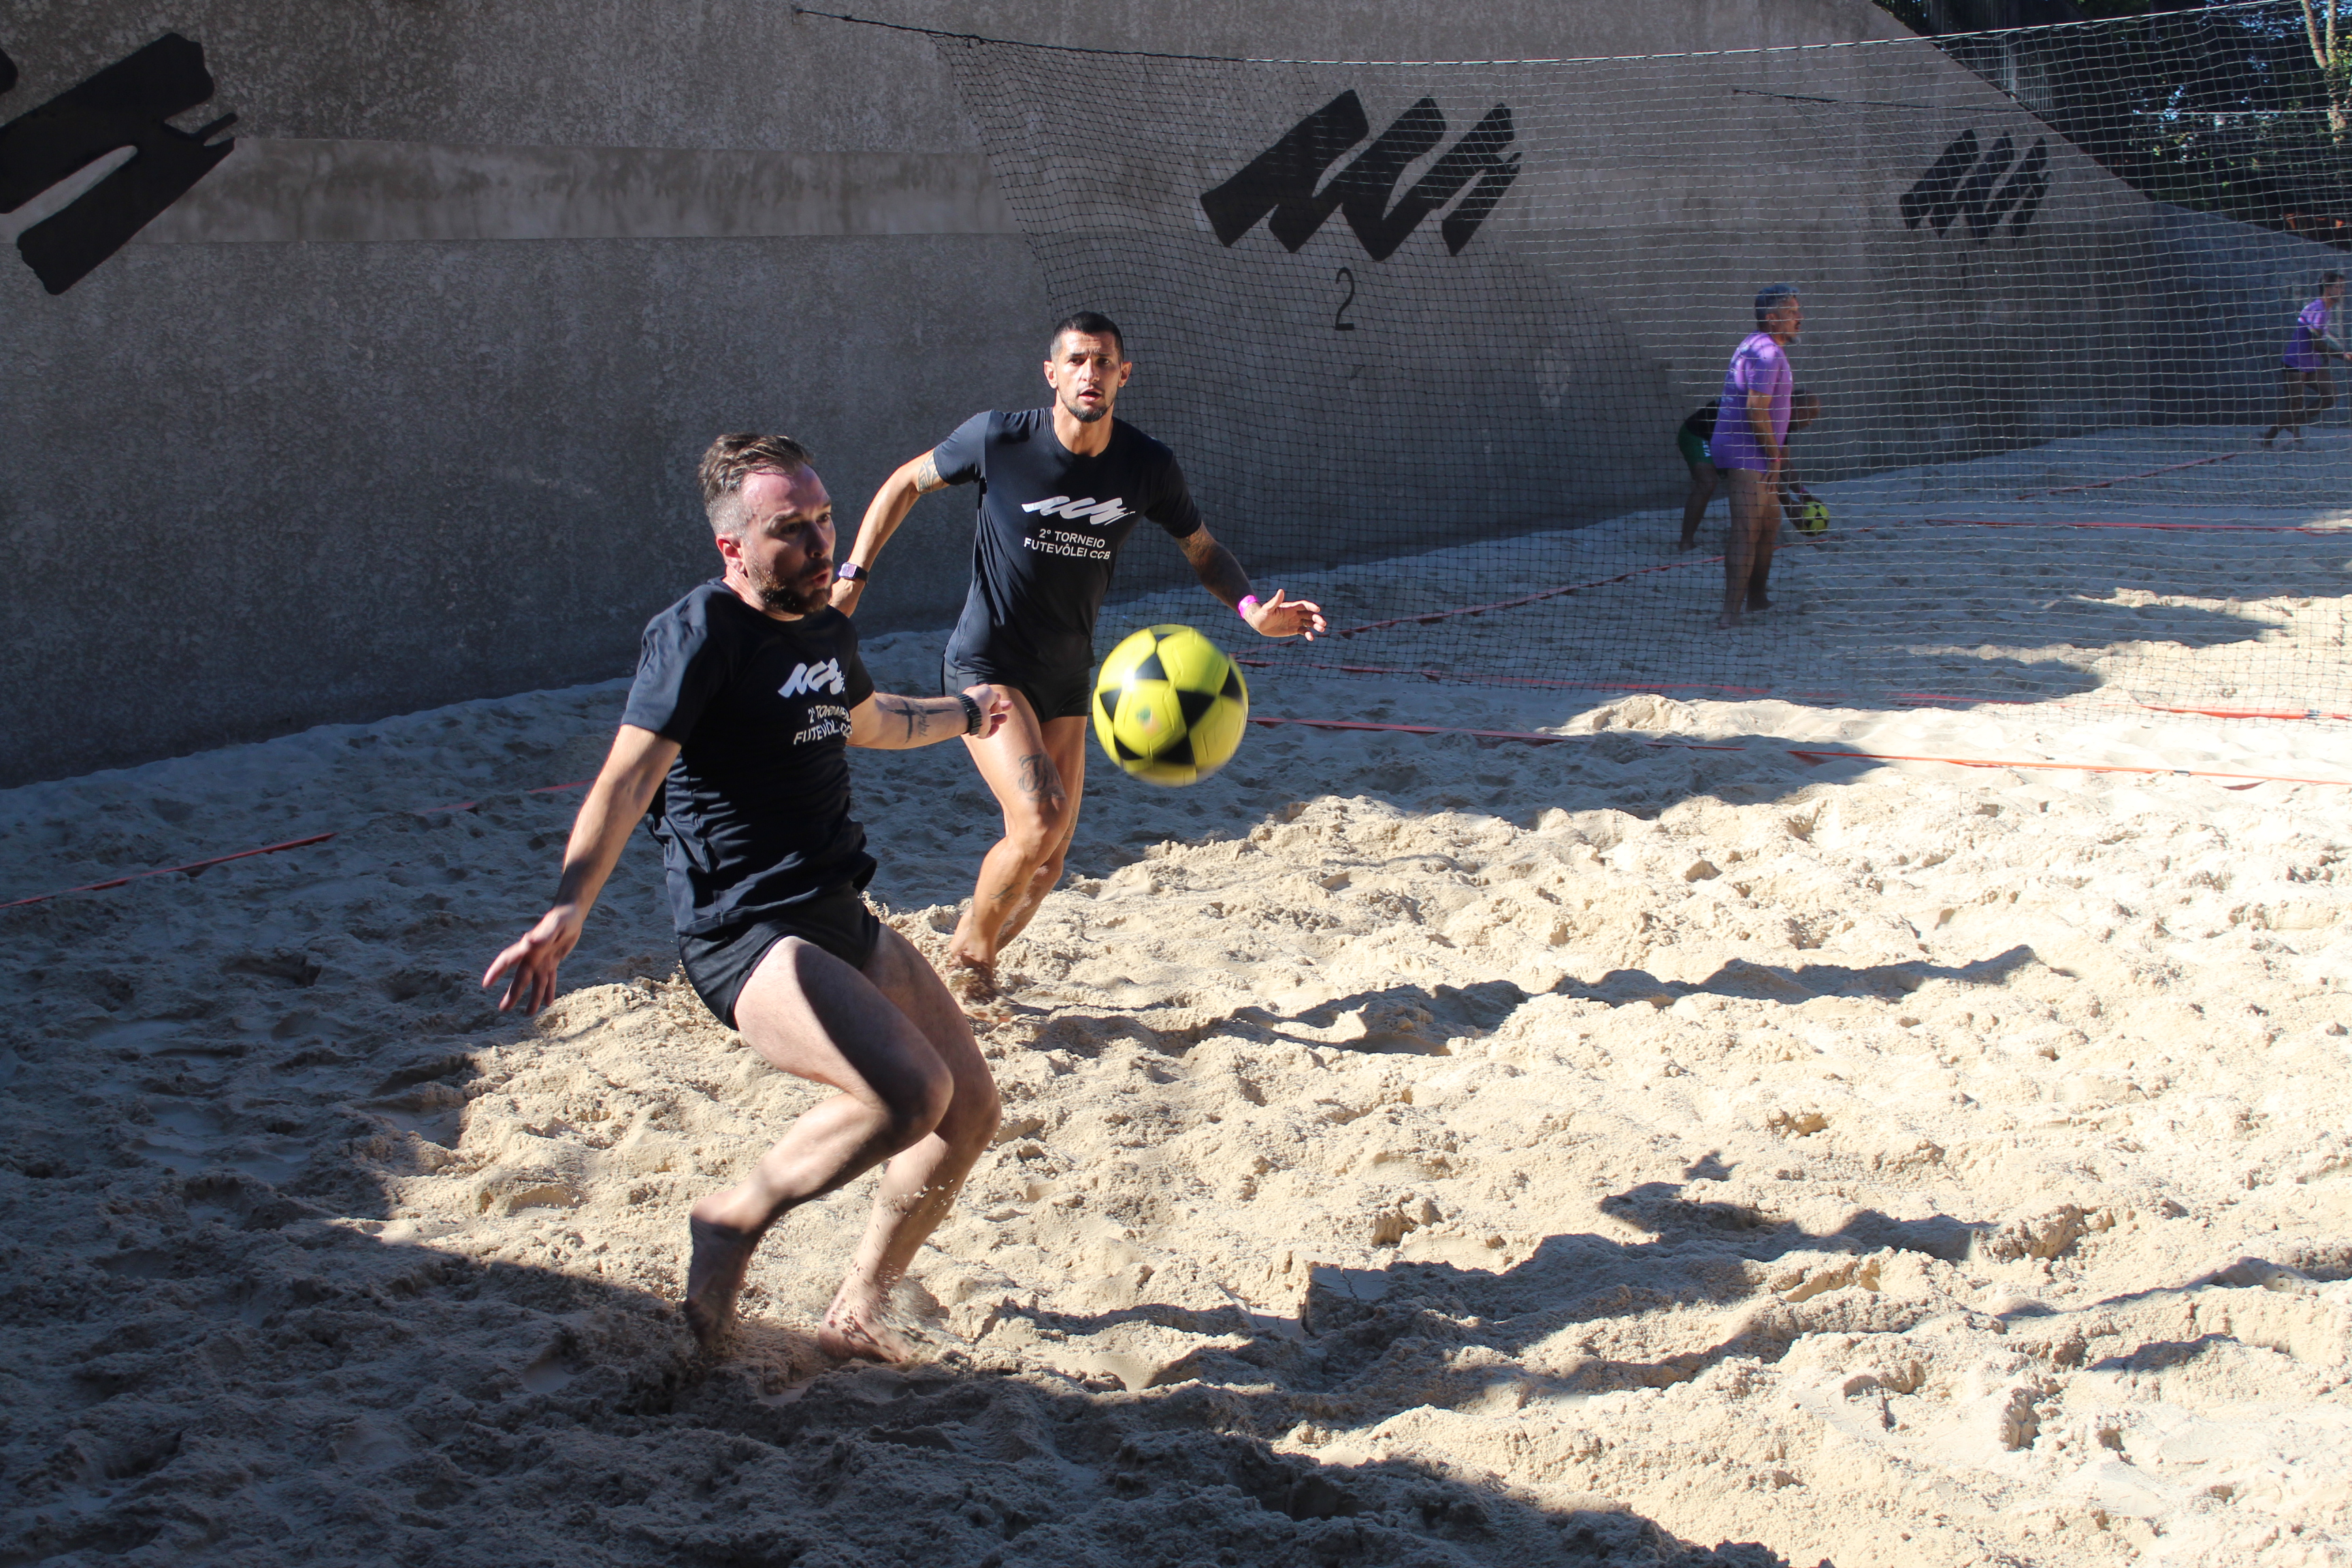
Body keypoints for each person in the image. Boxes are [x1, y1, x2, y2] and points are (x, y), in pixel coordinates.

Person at [481, 433, 1015, 1362]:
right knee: (909, 1091)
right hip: (747, 932)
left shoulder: (825, 626)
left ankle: (859, 1303)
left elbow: (869, 721)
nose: (819, 543)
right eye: (790, 529)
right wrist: (569, 907)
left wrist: (969, 713)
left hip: (836, 909)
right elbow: (624, 781)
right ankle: (731, 1218)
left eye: (824, 519)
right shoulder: (700, 634)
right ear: (732, 547)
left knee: (969, 1109)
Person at [832, 312, 1326, 1002]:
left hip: (1067, 674)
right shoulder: (999, 438)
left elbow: (1204, 549)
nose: (1089, 374)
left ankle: (951, 970)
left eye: (1103, 363)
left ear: (1123, 375)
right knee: (1035, 823)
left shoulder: (1146, 465)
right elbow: (905, 483)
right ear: (1052, 372)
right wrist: (854, 572)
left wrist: (1252, 613)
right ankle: (970, 963)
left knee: (1049, 861)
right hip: (987, 666)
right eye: (1076, 361)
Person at [1709, 284, 1803, 627]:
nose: (1799, 318)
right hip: (1747, 451)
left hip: (1752, 449)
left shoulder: (1757, 344)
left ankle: (1758, 600)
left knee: (1769, 525)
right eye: (1792, 312)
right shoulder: (1766, 354)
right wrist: (1775, 458)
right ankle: (1729, 615)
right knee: (1746, 530)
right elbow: (1756, 410)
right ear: (1772, 317)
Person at [1677, 386, 1820, 553]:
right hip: (1699, 434)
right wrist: (1788, 504)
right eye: (1809, 417)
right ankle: (1685, 542)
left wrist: (1804, 494)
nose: (1810, 423)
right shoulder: (1766, 415)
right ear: (1797, 409)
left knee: (1754, 484)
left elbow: (1784, 463)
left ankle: (1750, 535)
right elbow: (1766, 470)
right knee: (1708, 483)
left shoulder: (1782, 420)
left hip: (1728, 442)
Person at [2260, 270, 2349, 448]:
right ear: (2327, 288)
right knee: (2294, 405)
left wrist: (2325, 355)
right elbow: (2315, 343)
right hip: (2295, 363)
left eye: (2343, 287)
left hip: (2311, 364)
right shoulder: (2318, 308)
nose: (2342, 291)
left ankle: (2295, 424)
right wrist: (2343, 356)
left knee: (2331, 396)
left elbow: (2316, 339)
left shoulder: (2326, 308)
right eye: (2338, 287)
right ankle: (2268, 439)